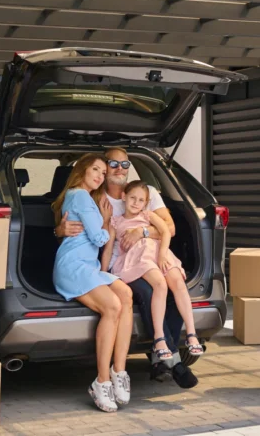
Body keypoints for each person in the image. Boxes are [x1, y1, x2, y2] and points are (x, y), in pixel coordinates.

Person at [55, 147, 199, 389]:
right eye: (110, 165)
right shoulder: (94, 195)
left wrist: (140, 231)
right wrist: (59, 230)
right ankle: (171, 359)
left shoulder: (146, 191)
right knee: (148, 291)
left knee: (172, 287)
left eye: (124, 164)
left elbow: (169, 228)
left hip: (151, 254)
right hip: (122, 263)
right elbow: (80, 230)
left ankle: (161, 355)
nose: (117, 169)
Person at [50, 154, 133, 412]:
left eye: (102, 171)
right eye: (94, 170)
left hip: (89, 266)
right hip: (73, 266)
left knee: (126, 295)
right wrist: (107, 223)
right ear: (82, 171)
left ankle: (119, 370)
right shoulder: (80, 196)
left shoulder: (86, 198)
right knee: (112, 307)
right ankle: (102, 381)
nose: (99, 175)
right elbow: (99, 239)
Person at [103, 180, 204, 361]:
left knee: (179, 283)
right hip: (139, 258)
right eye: (132, 198)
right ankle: (159, 339)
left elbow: (166, 231)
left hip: (159, 254)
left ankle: (191, 333)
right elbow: (109, 248)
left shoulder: (148, 215)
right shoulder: (115, 222)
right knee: (160, 285)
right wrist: (102, 272)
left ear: (146, 203)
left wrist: (163, 254)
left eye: (141, 200)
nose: (136, 203)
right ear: (124, 197)